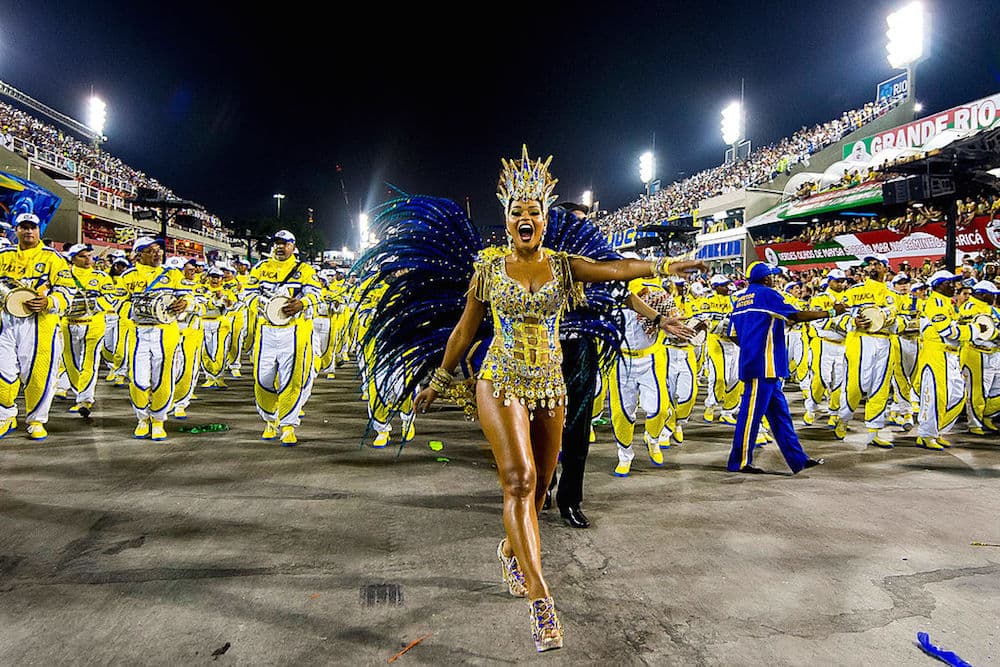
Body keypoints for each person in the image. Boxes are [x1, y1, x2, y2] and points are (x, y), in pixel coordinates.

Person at [413, 146, 704, 652]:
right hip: (499, 378)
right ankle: (542, 601)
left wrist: (661, 264)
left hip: (551, 382)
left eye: (534, 213)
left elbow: (616, 272)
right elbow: (466, 329)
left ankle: (511, 550)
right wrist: (439, 378)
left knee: (542, 487)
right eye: (516, 212)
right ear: (505, 220)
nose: (525, 219)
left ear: (546, 221)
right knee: (520, 479)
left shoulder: (567, 267)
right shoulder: (487, 267)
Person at [727, 262, 841, 473]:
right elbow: (795, 316)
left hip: (758, 364)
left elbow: (732, 333)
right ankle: (739, 462)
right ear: (766, 278)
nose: (774, 279)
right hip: (764, 365)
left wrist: (751, 345)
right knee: (750, 415)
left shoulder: (740, 299)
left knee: (781, 416)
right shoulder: (768, 294)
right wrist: (831, 312)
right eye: (771, 276)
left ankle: (798, 459)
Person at [0, 212, 75, 440]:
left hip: (39, 323)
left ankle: (36, 420)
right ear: (16, 230)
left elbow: (67, 289)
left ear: (39, 230)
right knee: (2, 371)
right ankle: (5, 415)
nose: (28, 231)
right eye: (23, 227)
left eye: (32, 227)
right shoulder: (3, 255)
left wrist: (49, 302)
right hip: (5, 322)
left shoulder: (53, 258)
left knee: (38, 374)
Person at [245, 230, 322, 446]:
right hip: (266, 330)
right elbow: (247, 294)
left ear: (293, 246)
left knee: (292, 379)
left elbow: (316, 295)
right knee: (263, 379)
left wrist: (301, 304)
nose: (280, 247)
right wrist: (264, 305)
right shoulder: (261, 268)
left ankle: (288, 425)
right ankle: (271, 418)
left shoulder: (305, 270)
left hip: (294, 331)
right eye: (277, 243)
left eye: (285, 243)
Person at [119, 237, 189, 441]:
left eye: (159, 250)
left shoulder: (172, 274)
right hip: (138, 331)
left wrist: (184, 304)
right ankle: (142, 418)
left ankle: (158, 420)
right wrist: (138, 310)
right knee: (138, 378)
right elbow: (116, 302)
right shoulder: (128, 276)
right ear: (138, 254)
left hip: (165, 331)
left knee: (163, 377)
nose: (157, 253)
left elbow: (189, 297)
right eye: (151, 250)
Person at [914, 270, 974, 449]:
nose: (953, 286)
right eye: (949, 283)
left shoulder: (948, 304)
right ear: (938, 285)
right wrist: (974, 330)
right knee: (935, 395)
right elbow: (948, 331)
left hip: (951, 355)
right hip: (935, 354)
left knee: (957, 395)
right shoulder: (935, 302)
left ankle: (937, 430)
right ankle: (925, 435)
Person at [60, 243, 116, 415]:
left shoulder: (101, 276)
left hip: (94, 323)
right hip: (68, 324)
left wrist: (90, 305)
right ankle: (80, 391)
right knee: (70, 362)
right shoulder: (64, 275)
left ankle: (85, 399)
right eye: (82, 256)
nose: (87, 259)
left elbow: (111, 298)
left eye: (89, 256)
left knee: (89, 362)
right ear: (73, 258)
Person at [959, 280, 1000, 434]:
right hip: (976, 354)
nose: (994, 298)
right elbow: (978, 331)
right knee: (978, 391)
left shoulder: (992, 309)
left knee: (996, 390)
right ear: (982, 294)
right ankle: (974, 423)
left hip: (995, 353)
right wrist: (996, 334)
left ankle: (987, 416)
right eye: (991, 295)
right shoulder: (969, 307)